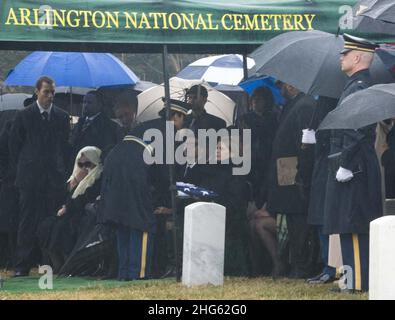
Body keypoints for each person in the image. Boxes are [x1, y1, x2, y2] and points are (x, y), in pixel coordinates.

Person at [323, 34, 382, 293]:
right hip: (351, 163)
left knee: (353, 224)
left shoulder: (359, 86)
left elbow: (357, 128)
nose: (341, 57)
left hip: (355, 165)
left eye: (345, 53)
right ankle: (351, 276)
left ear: (357, 57)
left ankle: (358, 281)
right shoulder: (354, 84)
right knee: (346, 225)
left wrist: (345, 162)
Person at [9, 76, 71, 277]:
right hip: (29, 179)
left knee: (50, 221)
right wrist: (24, 168)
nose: (50, 96)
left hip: (53, 179)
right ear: (37, 92)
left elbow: (64, 148)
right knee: (27, 221)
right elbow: (14, 147)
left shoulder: (62, 117)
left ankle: (48, 264)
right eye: (46, 92)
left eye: (52, 92)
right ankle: (22, 265)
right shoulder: (24, 116)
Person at [266, 81, 317, 279]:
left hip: (296, 174)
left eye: (282, 86)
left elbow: (305, 144)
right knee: (293, 222)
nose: (280, 90)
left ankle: (302, 267)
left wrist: (302, 174)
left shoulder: (304, 105)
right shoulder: (293, 105)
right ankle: (295, 264)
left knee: (300, 224)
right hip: (287, 173)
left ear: (292, 86)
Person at [98, 134, 157, 281]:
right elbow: (151, 181)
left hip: (115, 204)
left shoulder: (113, 152)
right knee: (142, 233)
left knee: (123, 235)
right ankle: (138, 273)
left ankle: (124, 273)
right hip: (138, 204)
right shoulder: (144, 152)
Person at [37, 146, 103, 272]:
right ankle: (56, 264)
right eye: (80, 163)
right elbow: (63, 199)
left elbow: (85, 199)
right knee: (46, 226)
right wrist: (74, 184)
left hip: (84, 215)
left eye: (88, 163)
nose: (84, 167)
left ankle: (66, 265)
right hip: (70, 213)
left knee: (61, 228)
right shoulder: (75, 178)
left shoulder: (98, 177)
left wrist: (68, 206)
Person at [305, 96, 339, 285]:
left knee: (325, 221)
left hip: (328, 166)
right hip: (321, 166)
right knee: (320, 221)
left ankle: (331, 267)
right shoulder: (323, 101)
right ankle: (327, 265)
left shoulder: (330, 101)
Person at [69, 90, 122, 165]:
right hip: (76, 165)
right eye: (84, 102)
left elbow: (107, 149)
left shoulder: (108, 126)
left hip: (94, 167)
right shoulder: (80, 123)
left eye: (89, 102)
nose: (85, 105)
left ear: (99, 105)